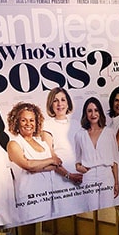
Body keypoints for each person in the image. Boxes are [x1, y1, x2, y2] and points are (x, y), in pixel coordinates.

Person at [6, 102, 74, 224]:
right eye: (23, 120)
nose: (28, 124)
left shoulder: (41, 143)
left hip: (47, 197)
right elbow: (27, 165)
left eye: (32, 120)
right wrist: (50, 160)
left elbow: (53, 166)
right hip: (30, 200)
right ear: (16, 122)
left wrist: (41, 166)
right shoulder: (14, 144)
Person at [44, 87, 86, 215]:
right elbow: (50, 158)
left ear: (68, 103)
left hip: (81, 176)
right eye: (55, 101)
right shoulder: (47, 125)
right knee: (64, 213)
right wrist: (69, 175)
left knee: (83, 211)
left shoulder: (77, 123)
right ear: (51, 105)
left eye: (63, 100)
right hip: (61, 178)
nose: (60, 104)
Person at [73, 97, 119, 210]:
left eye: (96, 110)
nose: (93, 114)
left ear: (100, 112)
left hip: (106, 175)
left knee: (107, 210)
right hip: (89, 177)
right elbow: (77, 162)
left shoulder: (109, 132)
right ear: (85, 113)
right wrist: (82, 169)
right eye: (89, 111)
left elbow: (115, 161)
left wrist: (117, 183)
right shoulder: (80, 135)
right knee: (91, 210)